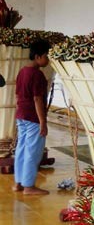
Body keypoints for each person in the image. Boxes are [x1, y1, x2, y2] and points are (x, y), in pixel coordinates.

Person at [13, 39, 51, 195]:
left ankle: (18, 184)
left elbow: (17, 96)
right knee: (32, 152)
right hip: (33, 118)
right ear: (38, 56)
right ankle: (29, 186)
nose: (48, 59)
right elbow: (37, 99)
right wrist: (43, 122)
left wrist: (20, 112)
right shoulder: (37, 75)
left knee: (21, 149)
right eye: (46, 55)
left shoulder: (22, 71)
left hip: (21, 115)